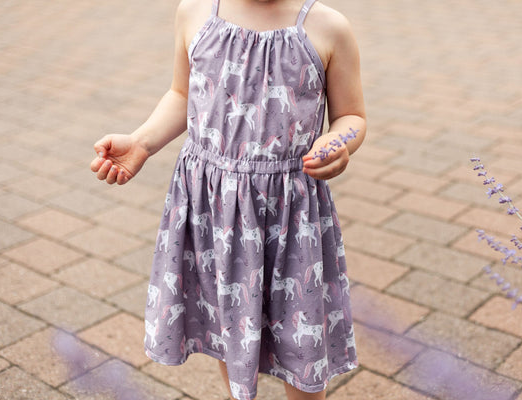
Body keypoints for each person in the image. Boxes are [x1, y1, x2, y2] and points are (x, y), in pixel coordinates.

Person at [90, 0, 365, 398]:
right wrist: (141, 142)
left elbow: (352, 115)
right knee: (228, 318)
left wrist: (339, 140)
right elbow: (182, 93)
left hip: (289, 214)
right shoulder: (196, 13)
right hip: (215, 208)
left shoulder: (327, 28)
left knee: (301, 329)